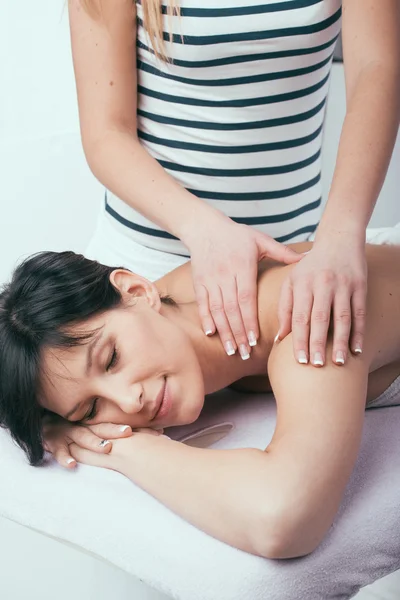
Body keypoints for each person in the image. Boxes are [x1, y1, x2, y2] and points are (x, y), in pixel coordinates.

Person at [1, 241, 399, 559]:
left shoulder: (310, 323)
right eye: (90, 409)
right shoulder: (168, 300)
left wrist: (123, 448)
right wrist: (53, 422)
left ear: (137, 290)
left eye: (111, 359)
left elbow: (283, 519)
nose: (129, 401)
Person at [69, 0, 400, 370]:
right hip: (145, 270)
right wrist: (207, 233)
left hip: (291, 261)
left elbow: (376, 69)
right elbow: (106, 133)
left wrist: (341, 236)